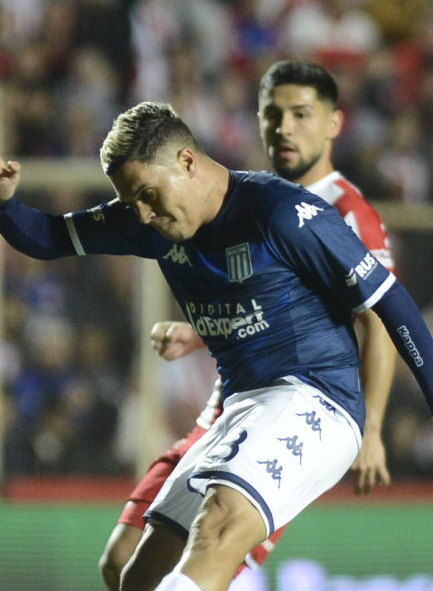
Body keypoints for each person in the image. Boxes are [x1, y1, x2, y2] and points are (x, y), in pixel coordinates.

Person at [0, 102, 433, 591]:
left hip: (315, 398)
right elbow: (49, 236)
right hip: (242, 406)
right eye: (132, 203)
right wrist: (1, 207)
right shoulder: (147, 218)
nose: (142, 216)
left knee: (217, 527)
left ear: (187, 161)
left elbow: (392, 306)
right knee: (138, 574)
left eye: (147, 195)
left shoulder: (281, 213)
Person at [98, 60, 398, 590]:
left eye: (301, 114)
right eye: (272, 114)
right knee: (127, 562)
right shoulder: (241, 197)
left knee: (214, 543)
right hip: (228, 406)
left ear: (333, 123)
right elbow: (256, 301)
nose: (284, 127)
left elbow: (376, 315)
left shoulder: (341, 210)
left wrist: (372, 425)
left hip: (296, 405)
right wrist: (198, 331)